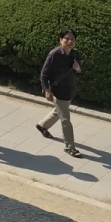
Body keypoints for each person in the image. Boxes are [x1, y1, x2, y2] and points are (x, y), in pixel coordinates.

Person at [36, 30, 83, 158]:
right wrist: (46, 90)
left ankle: (42, 125)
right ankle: (70, 147)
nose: (70, 41)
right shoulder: (54, 55)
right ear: (61, 40)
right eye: (67, 39)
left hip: (70, 90)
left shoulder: (75, 54)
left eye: (72, 39)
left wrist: (78, 68)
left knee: (59, 111)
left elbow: (78, 70)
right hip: (58, 91)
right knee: (65, 120)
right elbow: (44, 74)